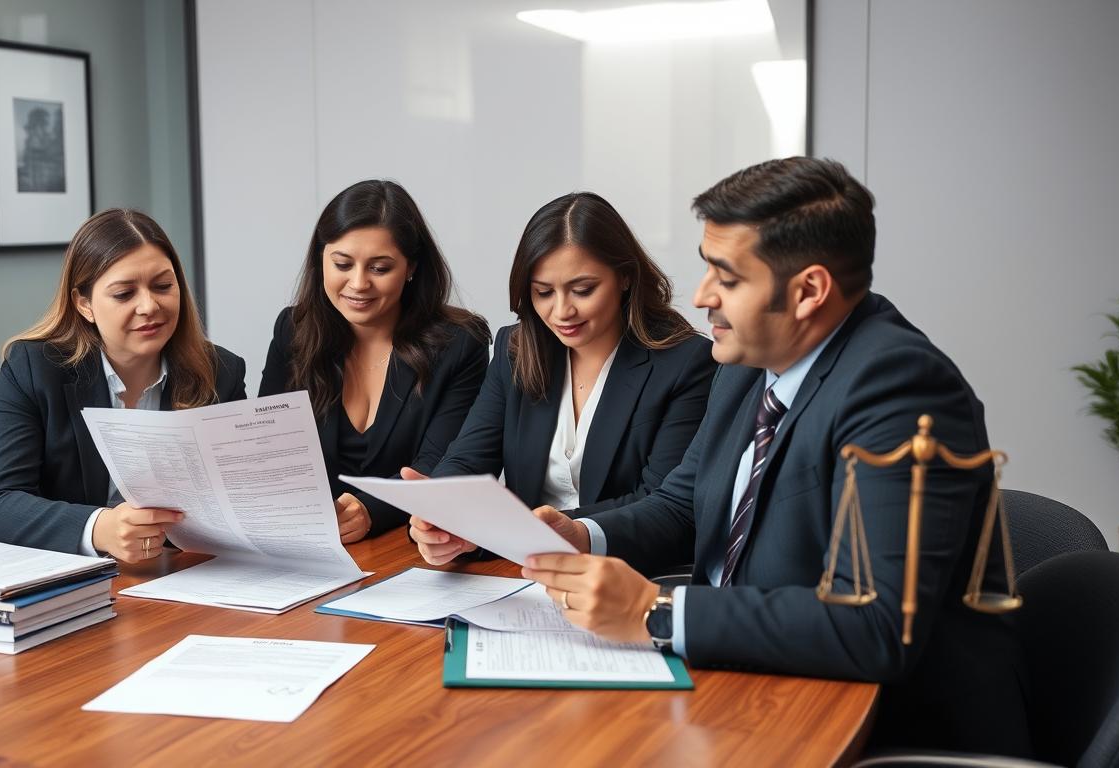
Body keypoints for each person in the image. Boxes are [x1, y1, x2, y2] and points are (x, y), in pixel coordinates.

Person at [420, 158, 1027, 755]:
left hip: (876, 724)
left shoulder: (900, 387)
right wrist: (582, 536)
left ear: (809, 290)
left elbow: (876, 625)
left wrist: (656, 611)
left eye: (728, 279)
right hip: (745, 681)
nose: (704, 296)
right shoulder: (748, 366)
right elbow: (682, 505)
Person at [407, 191, 716, 560]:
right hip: (518, 574)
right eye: (543, 293)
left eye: (582, 290)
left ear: (625, 278)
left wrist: (522, 530)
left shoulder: (685, 362)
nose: (561, 311)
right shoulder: (515, 349)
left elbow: (662, 503)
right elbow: (468, 458)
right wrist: (442, 514)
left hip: (625, 574)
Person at [0, 209, 247, 561]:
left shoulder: (220, 372)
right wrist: (101, 528)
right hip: (69, 582)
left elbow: (240, 496)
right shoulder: (33, 368)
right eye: (124, 294)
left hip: (181, 579)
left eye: (163, 286)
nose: (149, 306)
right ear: (84, 303)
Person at [259, 180, 489, 543]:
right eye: (342, 264)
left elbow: (438, 466)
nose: (358, 283)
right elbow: (269, 450)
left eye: (379, 268)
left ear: (411, 267)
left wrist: (371, 510)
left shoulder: (460, 343)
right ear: (321, 259)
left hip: (409, 546)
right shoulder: (293, 330)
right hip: (308, 543)